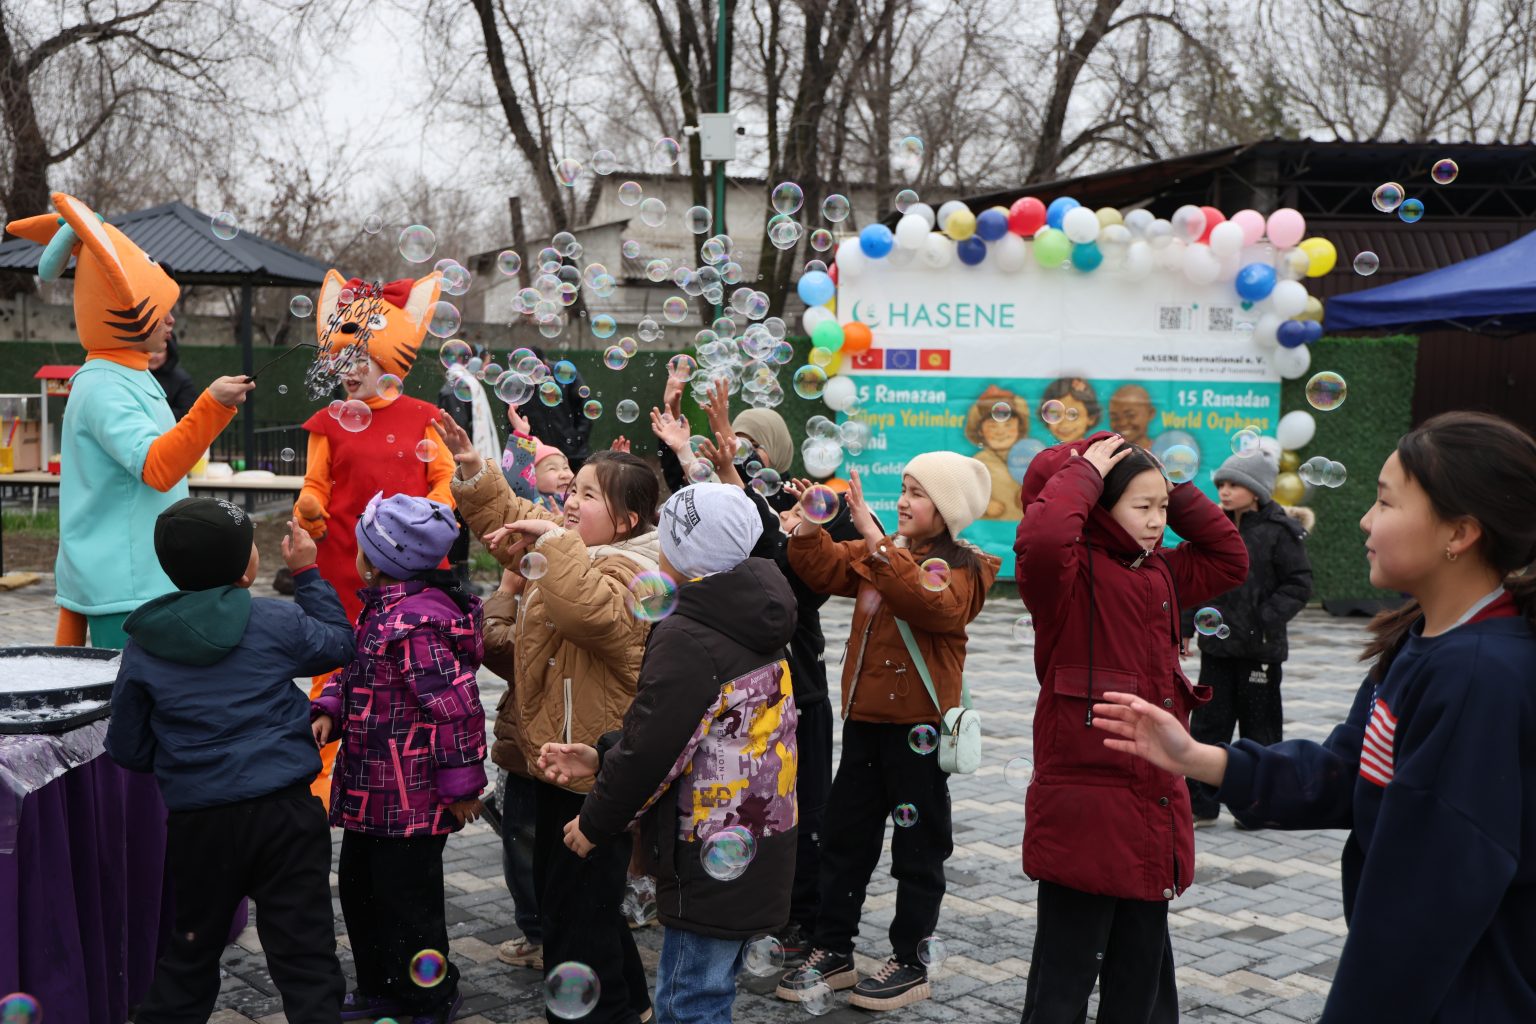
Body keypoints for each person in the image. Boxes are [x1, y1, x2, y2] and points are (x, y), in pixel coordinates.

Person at [1092, 411, 1536, 1023]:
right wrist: (1198, 757)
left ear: (1458, 533)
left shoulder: (1478, 675)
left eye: (1385, 503)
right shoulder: (1422, 639)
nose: (1365, 520)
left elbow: (1425, 902)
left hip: (1465, 993)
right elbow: (1345, 773)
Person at [538, 482, 799, 1024]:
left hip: (706, 844)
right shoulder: (753, 609)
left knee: (689, 1001)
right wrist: (603, 754)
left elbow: (654, 747)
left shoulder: (689, 633)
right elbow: (692, 732)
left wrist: (596, 820)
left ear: (681, 552)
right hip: (754, 837)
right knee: (709, 988)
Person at [1012, 432, 1247, 1022]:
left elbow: (1229, 556)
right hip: (1085, 809)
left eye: (1162, 507)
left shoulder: (1162, 571)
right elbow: (1042, 542)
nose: (1156, 521)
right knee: (1062, 985)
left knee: (1140, 980)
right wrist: (1085, 474)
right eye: (1142, 508)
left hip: (1153, 805)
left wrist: (1169, 482)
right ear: (1095, 505)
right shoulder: (1066, 579)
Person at [440, 410, 658, 1024]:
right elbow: (520, 528)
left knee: (577, 910)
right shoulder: (575, 553)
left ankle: (598, 1012)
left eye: (588, 495)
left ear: (627, 521)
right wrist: (477, 473)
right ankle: (630, 1001)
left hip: (591, 768)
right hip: (551, 759)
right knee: (580, 902)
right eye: (574, 488)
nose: (569, 502)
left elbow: (589, 612)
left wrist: (557, 544)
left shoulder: (635, 570)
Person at [105, 499, 353, 1023]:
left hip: (201, 823)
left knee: (191, 953)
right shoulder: (275, 619)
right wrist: (307, 572)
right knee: (305, 954)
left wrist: (184, 761)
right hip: (286, 815)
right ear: (247, 568)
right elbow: (338, 644)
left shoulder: (144, 644)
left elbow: (127, 747)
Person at [650, 382, 865, 965]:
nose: (735, 451)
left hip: (802, 692)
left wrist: (729, 470)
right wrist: (680, 448)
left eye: (749, 448)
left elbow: (759, 530)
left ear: (773, 460)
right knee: (745, 809)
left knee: (805, 808)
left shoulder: (804, 519)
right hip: (744, 692)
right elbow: (701, 514)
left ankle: (803, 920)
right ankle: (745, 907)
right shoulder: (741, 517)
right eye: (730, 441)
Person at [777, 454, 999, 1012]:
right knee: (845, 841)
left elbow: (933, 605)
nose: (903, 501)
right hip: (865, 725)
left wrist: (879, 545)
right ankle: (834, 951)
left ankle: (910, 959)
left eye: (917, 493)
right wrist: (808, 524)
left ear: (947, 510)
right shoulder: (885, 553)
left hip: (919, 731)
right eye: (902, 488)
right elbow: (822, 569)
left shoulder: (968, 567)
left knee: (918, 850)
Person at [6, 192, 253, 648]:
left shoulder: (124, 374)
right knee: (123, 709)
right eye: (161, 309)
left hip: (136, 578)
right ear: (120, 308)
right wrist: (212, 405)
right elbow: (157, 468)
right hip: (125, 586)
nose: (172, 320)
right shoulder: (105, 385)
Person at [310, 492, 487, 1024]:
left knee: (409, 907)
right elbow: (356, 674)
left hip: (412, 801)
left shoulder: (416, 626)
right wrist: (329, 709)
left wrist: (462, 789)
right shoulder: (382, 612)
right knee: (362, 893)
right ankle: (380, 987)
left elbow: (456, 710)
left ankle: (430, 998)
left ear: (377, 559)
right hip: (372, 793)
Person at [294, 270, 458, 805]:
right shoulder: (328, 422)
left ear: (389, 362)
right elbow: (315, 484)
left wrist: (440, 514)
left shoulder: (424, 418)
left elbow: (444, 479)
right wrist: (310, 506)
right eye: (340, 357)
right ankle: (316, 792)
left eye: (359, 357)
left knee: (407, 673)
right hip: (343, 560)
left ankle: (405, 779)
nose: (348, 368)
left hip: (412, 569)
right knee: (331, 673)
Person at [1186, 447, 1313, 826]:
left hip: (1261, 650)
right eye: (1221, 484)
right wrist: (1182, 628)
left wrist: (1265, 619)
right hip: (1217, 648)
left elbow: (1298, 583)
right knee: (1208, 726)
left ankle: (1257, 808)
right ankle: (1201, 806)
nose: (1224, 491)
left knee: (1260, 729)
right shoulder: (1213, 529)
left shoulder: (1281, 532)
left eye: (1234, 484)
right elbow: (1197, 583)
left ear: (1257, 490)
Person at [521, 345, 593, 471]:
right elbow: (514, 422)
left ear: (544, 363)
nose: (532, 376)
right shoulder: (520, 382)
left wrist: (576, 438)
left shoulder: (565, 373)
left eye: (535, 370)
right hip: (539, 457)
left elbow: (587, 409)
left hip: (573, 455)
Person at [965, 384, 1029, 520]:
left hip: (1021, 528)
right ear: (980, 430)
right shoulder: (978, 462)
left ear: (1020, 427)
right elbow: (966, 497)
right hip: (992, 530)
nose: (1000, 431)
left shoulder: (1029, 457)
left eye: (1008, 425)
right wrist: (986, 507)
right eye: (992, 426)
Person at [148, 330, 198, 421]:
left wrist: (152, 413)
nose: (153, 356)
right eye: (149, 351)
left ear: (169, 352)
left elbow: (189, 413)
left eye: (159, 351)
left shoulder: (182, 380)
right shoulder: (133, 374)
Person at [1039, 376, 1101, 445]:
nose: (1064, 423)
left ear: (1091, 418)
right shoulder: (1047, 454)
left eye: (1072, 414)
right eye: (1055, 414)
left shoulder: (1095, 452)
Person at [1108, 383, 1156, 449]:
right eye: (1115, 417)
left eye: (1130, 415)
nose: (1122, 423)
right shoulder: (1105, 454)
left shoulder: (1161, 454)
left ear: (1150, 413)